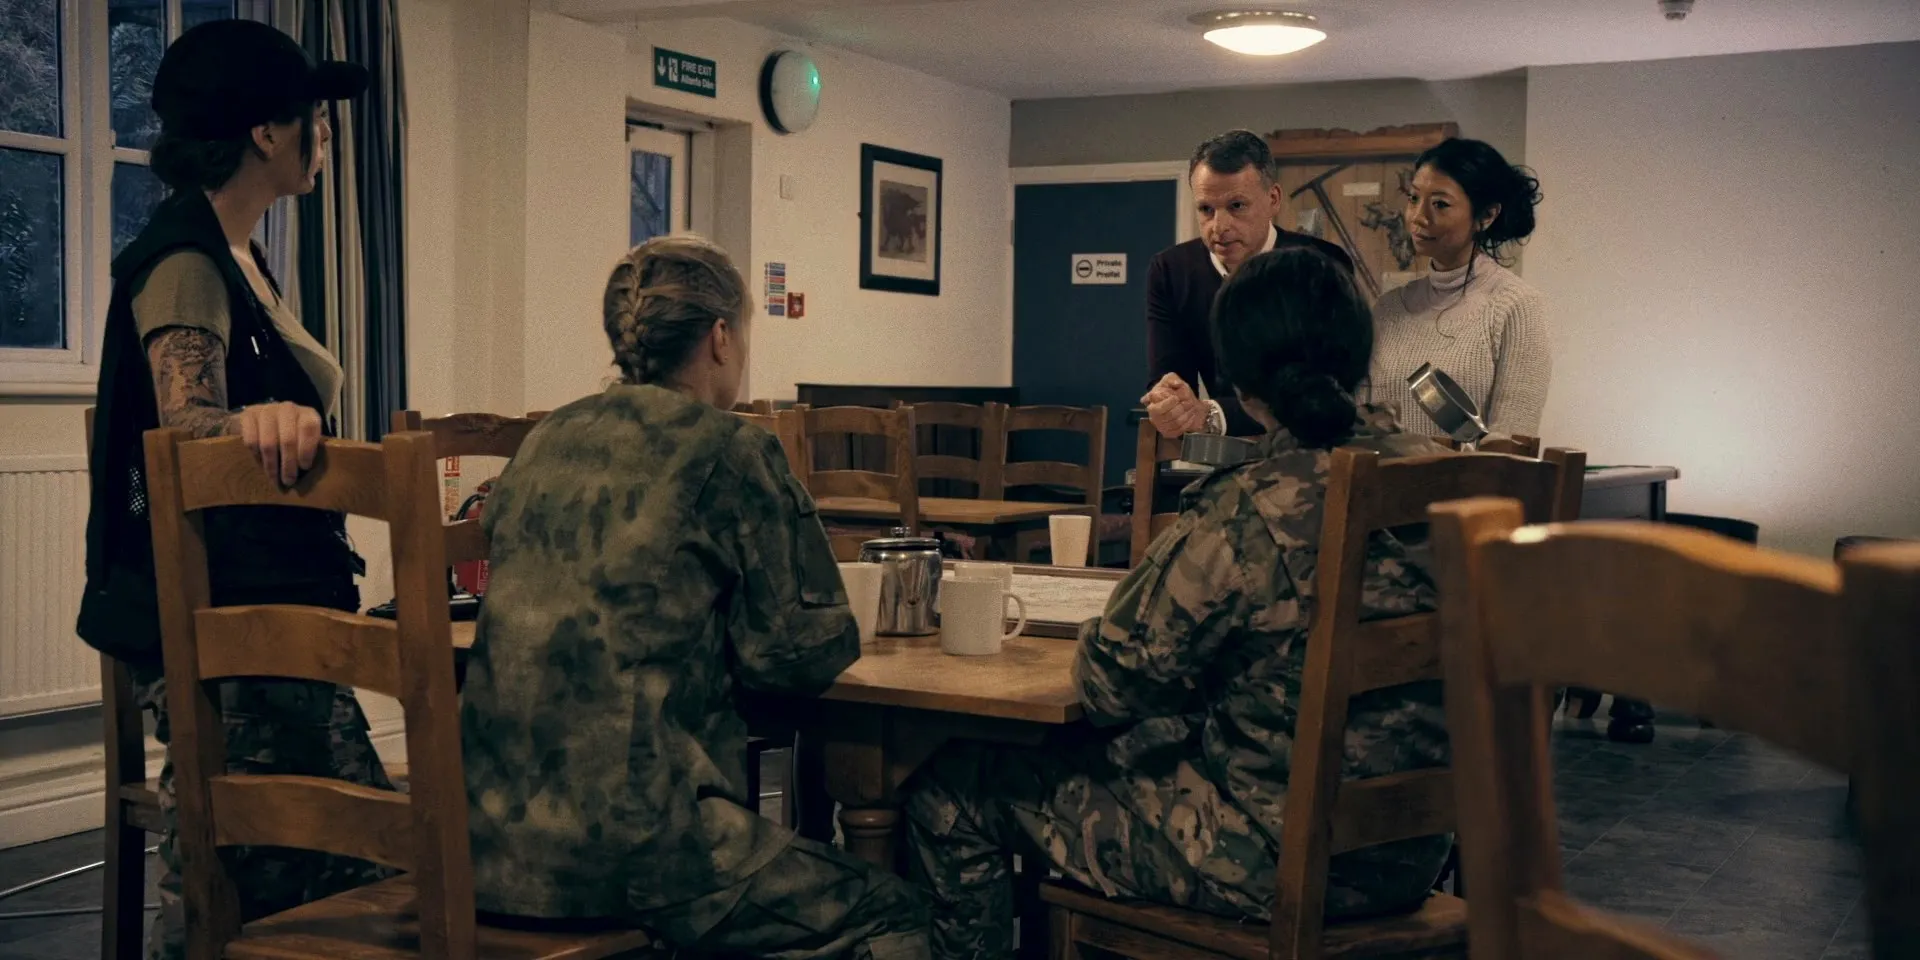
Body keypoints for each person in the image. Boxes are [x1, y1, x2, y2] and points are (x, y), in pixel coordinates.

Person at [905, 247, 1452, 959]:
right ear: (1359, 353)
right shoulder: (1449, 478)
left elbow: (1110, 682)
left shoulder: (1254, 508)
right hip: (1415, 850)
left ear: (1241, 383)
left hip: (1276, 855)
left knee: (952, 791)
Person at [459, 236, 931, 960]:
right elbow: (801, 655)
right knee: (895, 912)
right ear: (720, 337)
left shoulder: (546, 438)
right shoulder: (731, 449)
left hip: (485, 847)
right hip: (642, 855)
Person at [75, 20, 390, 960]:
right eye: (313, 117)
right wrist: (260, 419)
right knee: (289, 857)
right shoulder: (185, 260)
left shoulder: (238, 254)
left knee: (342, 851)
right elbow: (187, 432)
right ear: (266, 132)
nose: (323, 135)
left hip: (266, 607)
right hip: (223, 625)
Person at [1142, 129, 1353, 439]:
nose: (1219, 226)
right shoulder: (1170, 271)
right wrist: (1169, 403)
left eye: (1237, 206)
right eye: (1206, 209)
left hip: (1312, 448)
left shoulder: (1323, 264)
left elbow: (1328, 388)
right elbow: (1169, 378)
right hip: (1220, 452)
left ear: (1273, 199)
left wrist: (1211, 414)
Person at [1366, 137, 1551, 439]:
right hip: (1385, 471)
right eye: (1413, 198)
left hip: (1471, 472)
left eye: (1440, 204)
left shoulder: (1515, 306)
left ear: (1487, 215)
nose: (1418, 217)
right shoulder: (1387, 308)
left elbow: (1512, 442)